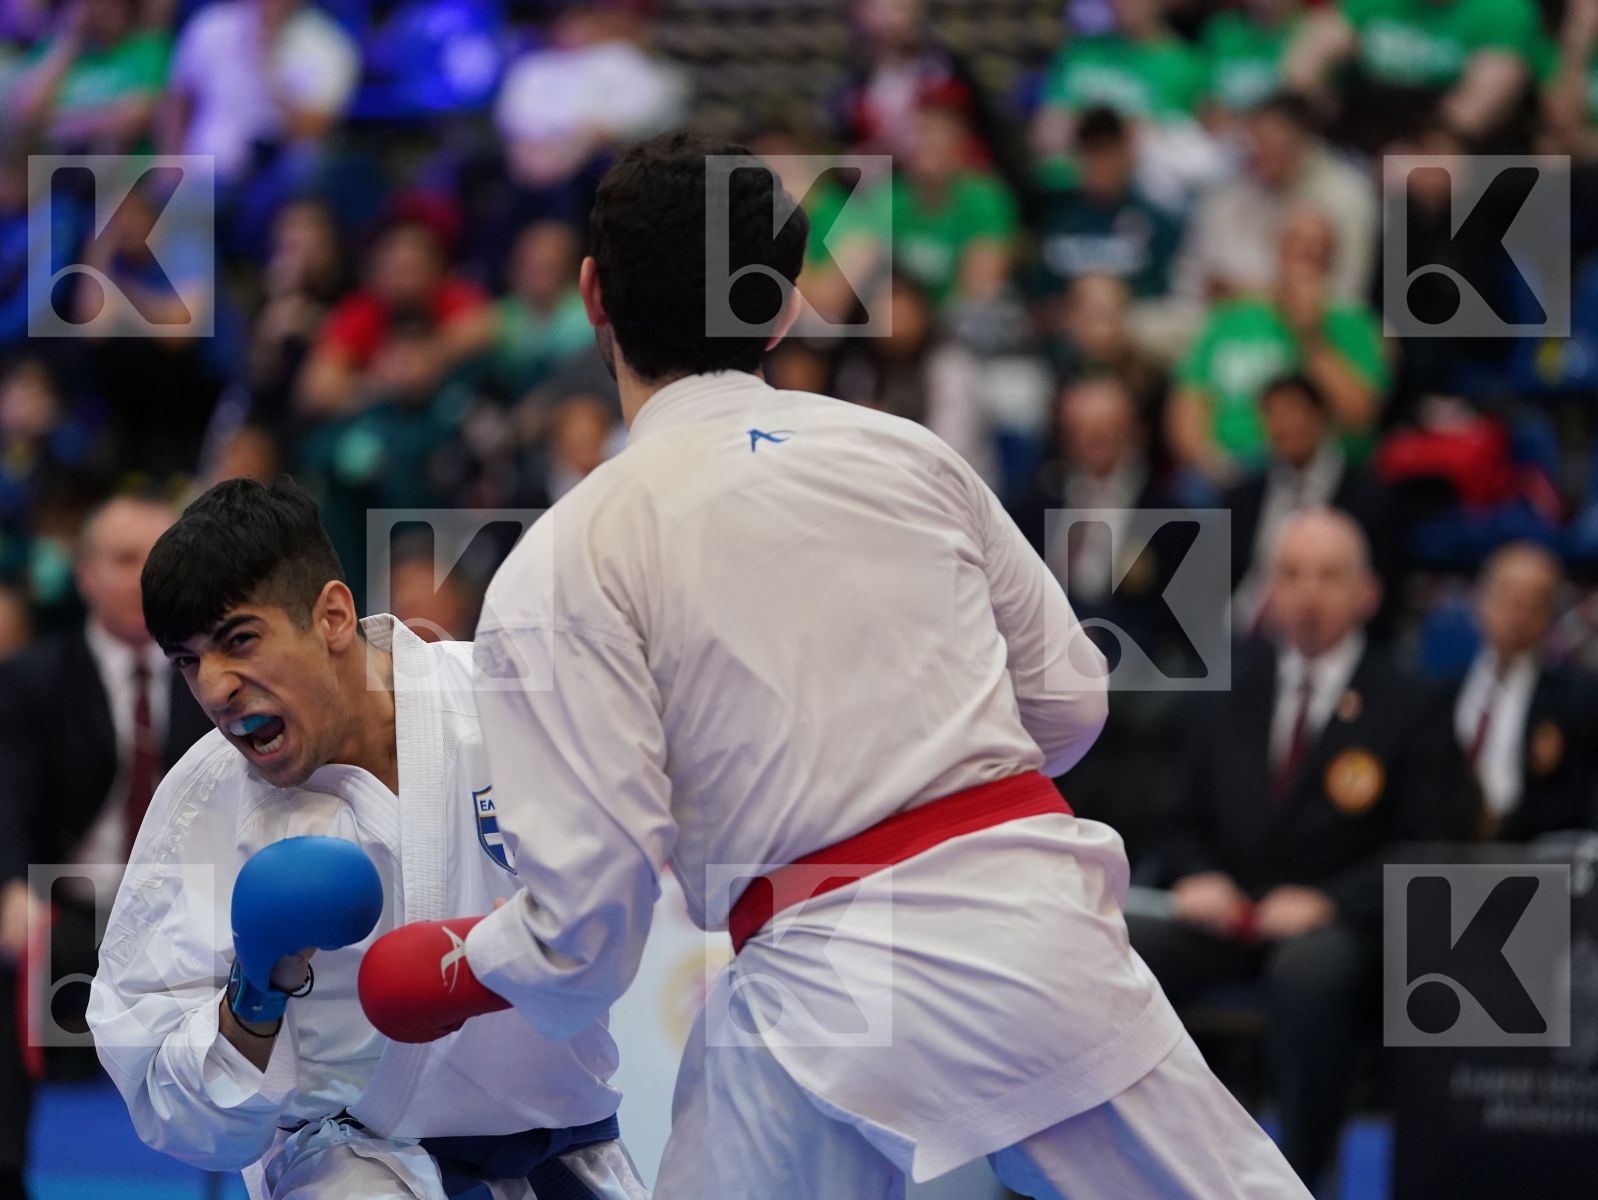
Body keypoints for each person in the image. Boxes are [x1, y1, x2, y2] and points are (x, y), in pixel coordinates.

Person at [361, 130, 1307, 1199]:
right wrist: (927, 784)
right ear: (778, 309)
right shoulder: (907, 453)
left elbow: (589, 930)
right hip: (1023, 927)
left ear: (591, 296)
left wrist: (459, 963)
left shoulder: (561, 559)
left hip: (809, 981)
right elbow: (1068, 703)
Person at [86, 477, 647, 1200]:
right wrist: (254, 993)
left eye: (239, 640)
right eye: (189, 660)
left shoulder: (506, 708)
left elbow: (637, 894)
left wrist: (471, 967)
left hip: (568, 1153)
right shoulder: (205, 807)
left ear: (332, 616)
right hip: (354, 1169)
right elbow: (179, 1117)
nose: (216, 687)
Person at [1129, 508, 1471, 1187]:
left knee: (1307, 974)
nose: (1308, 594)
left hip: (1344, 925)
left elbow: (1432, 844)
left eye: (1328, 576)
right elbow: (1176, 822)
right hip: (1229, 914)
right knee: (1117, 943)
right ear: (1269, 592)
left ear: (1367, 593)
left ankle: (1302, 1176)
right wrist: (1196, 876)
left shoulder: (1412, 701)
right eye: (1291, 575)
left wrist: (1328, 902)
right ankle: (1138, 1168)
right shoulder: (1228, 691)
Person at [0, 492, 211, 1200]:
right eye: (123, 560)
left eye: (156, 560)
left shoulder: (214, 675)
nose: (140, 578)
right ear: (85, 574)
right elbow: (10, 797)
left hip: (183, 911)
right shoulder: (32, 678)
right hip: (65, 906)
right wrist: (11, 890)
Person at [1225, 373, 1393, 636]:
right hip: (1238, 637)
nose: (1282, 425)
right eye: (1271, 414)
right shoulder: (1242, 497)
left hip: (1328, 637)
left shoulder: (1368, 497)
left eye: (1291, 411)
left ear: (1320, 415)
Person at [1453, 542, 1598, 841]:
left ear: (1551, 614)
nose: (1518, 614)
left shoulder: (1577, 700)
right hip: (1447, 853)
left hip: (1532, 860)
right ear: (1480, 600)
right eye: (1509, 596)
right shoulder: (1440, 693)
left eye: (1535, 602)